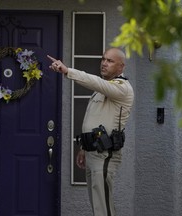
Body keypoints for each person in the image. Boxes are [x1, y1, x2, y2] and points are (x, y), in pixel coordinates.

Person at [47, 47, 134, 216]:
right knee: (98, 205)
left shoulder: (122, 88)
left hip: (105, 153)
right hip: (93, 151)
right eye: (103, 59)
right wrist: (84, 149)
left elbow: (94, 81)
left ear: (121, 67)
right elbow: (94, 120)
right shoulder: (103, 88)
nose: (104, 63)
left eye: (110, 61)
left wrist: (67, 71)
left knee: (104, 207)